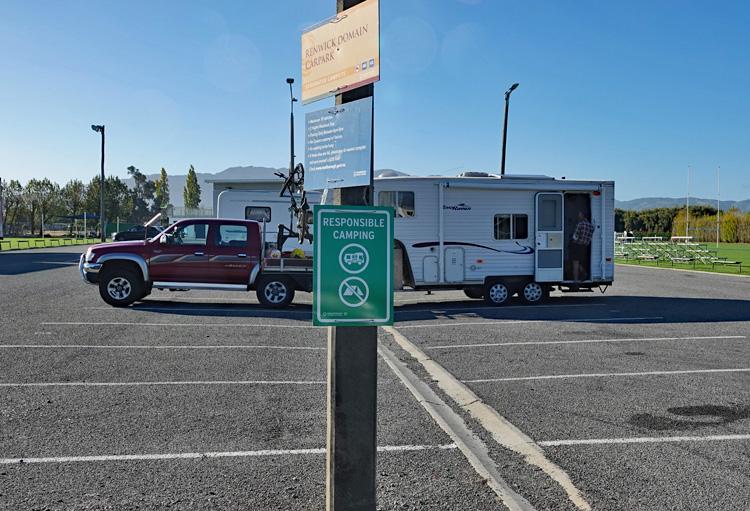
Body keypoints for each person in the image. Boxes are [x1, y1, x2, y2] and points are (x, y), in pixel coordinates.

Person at [571, 211, 594, 284]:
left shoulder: (580, 224)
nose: (578, 216)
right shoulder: (591, 226)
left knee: (575, 263)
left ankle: (576, 280)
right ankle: (583, 273)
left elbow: (575, 236)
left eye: (580, 214)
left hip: (577, 245)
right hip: (585, 247)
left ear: (583, 216)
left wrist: (572, 240)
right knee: (580, 262)